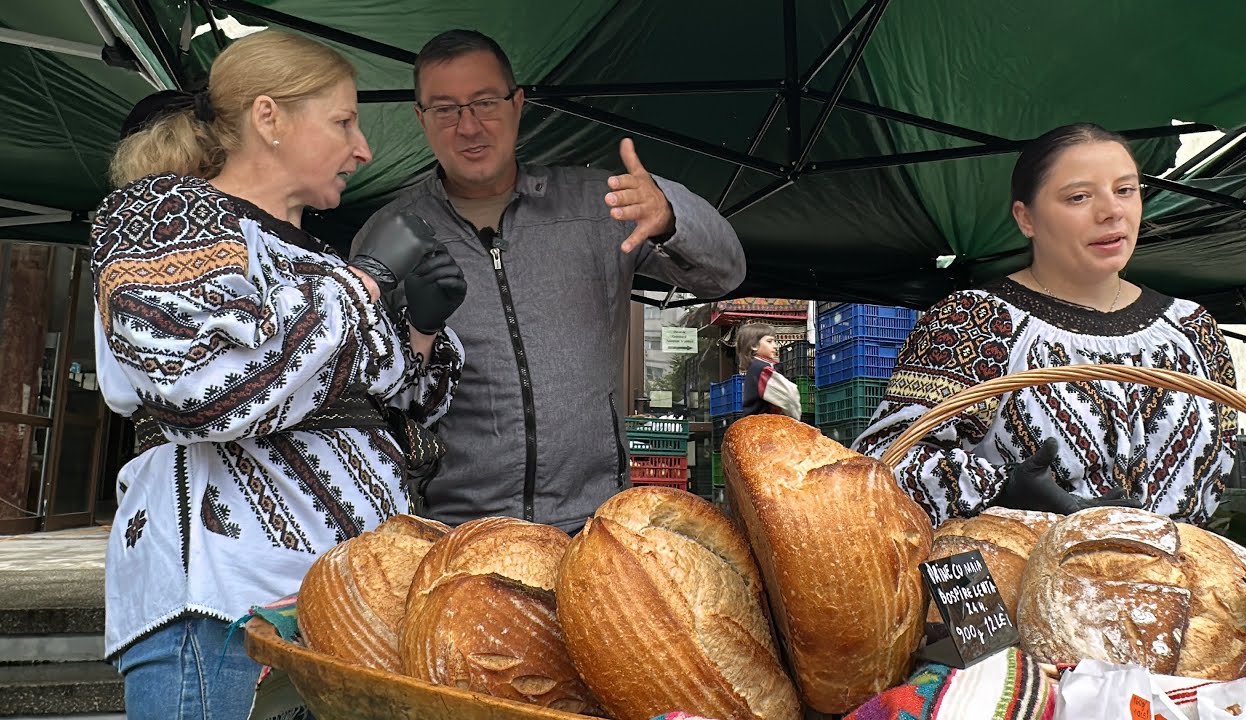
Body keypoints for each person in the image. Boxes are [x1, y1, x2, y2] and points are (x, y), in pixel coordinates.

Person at [92, 31, 466, 718]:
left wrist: (421, 327)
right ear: (269, 118)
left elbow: (390, 401)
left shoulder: (318, 256)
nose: (364, 150)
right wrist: (363, 286)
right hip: (222, 601)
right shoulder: (166, 213)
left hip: (343, 607)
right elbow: (205, 393)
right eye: (344, 121)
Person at [352, 29, 746, 533]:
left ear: (518, 104)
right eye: (445, 109)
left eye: (485, 102)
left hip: (591, 524)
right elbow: (372, 390)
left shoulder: (599, 204)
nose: (469, 126)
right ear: (421, 119)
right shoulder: (389, 234)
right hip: (454, 531)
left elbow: (725, 273)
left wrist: (672, 215)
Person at [855, 122, 1237, 527]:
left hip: (1174, 580)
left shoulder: (1194, 327)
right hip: (1021, 579)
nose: (1111, 211)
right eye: (1079, 197)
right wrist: (999, 489)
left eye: (1125, 190)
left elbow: (1218, 470)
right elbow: (884, 466)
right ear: (1027, 218)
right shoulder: (976, 321)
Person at [736, 323, 802, 419]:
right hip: (764, 425)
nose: (775, 346)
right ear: (754, 345)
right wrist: (795, 418)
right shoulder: (761, 368)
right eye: (769, 341)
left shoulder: (756, 367)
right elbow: (789, 395)